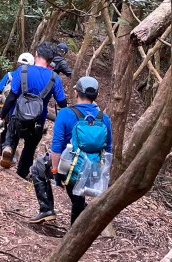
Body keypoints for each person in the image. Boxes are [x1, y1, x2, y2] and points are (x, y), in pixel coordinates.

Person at [29, 75, 112, 225]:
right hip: (92, 172)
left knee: (38, 166)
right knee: (76, 193)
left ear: (76, 93)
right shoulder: (104, 118)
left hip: (69, 170)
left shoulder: (66, 113)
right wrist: (101, 174)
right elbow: (108, 149)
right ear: (96, 95)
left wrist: (55, 172)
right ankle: (75, 229)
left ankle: (46, 209)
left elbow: (56, 146)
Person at [0, 42, 67, 179]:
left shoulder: (22, 70)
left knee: (12, 134)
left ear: (36, 54)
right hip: (38, 121)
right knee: (30, 148)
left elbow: (11, 96)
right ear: (51, 60)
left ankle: (8, 147)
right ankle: (21, 173)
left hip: (18, 116)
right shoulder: (54, 78)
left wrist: (1, 116)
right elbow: (62, 103)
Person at [0, 52, 35, 154]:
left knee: (5, 129)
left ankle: (2, 150)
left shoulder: (10, 76)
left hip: (7, 109)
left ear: (18, 63)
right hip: (24, 112)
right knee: (16, 132)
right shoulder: (32, 80)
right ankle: (11, 153)